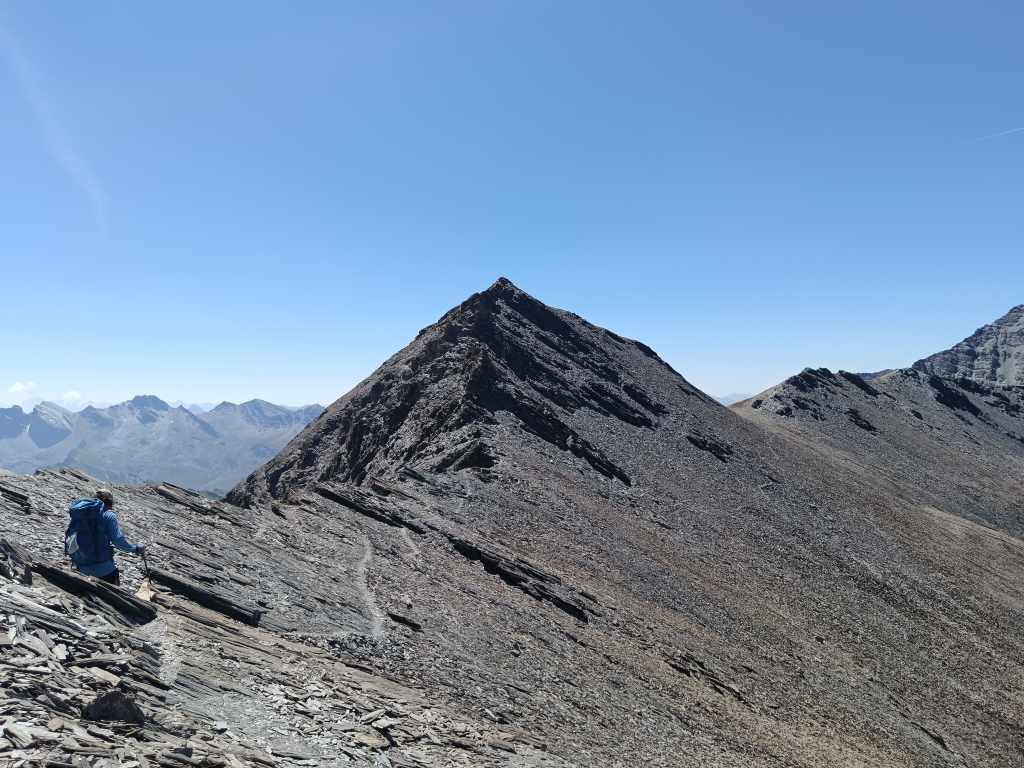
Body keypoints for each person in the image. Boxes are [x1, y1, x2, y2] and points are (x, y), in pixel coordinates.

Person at [65, 488, 145, 586]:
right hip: (104, 570)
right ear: (110, 501)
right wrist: (135, 549)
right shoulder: (108, 515)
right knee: (114, 599)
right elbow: (117, 540)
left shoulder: (82, 514)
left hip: (82, 567)